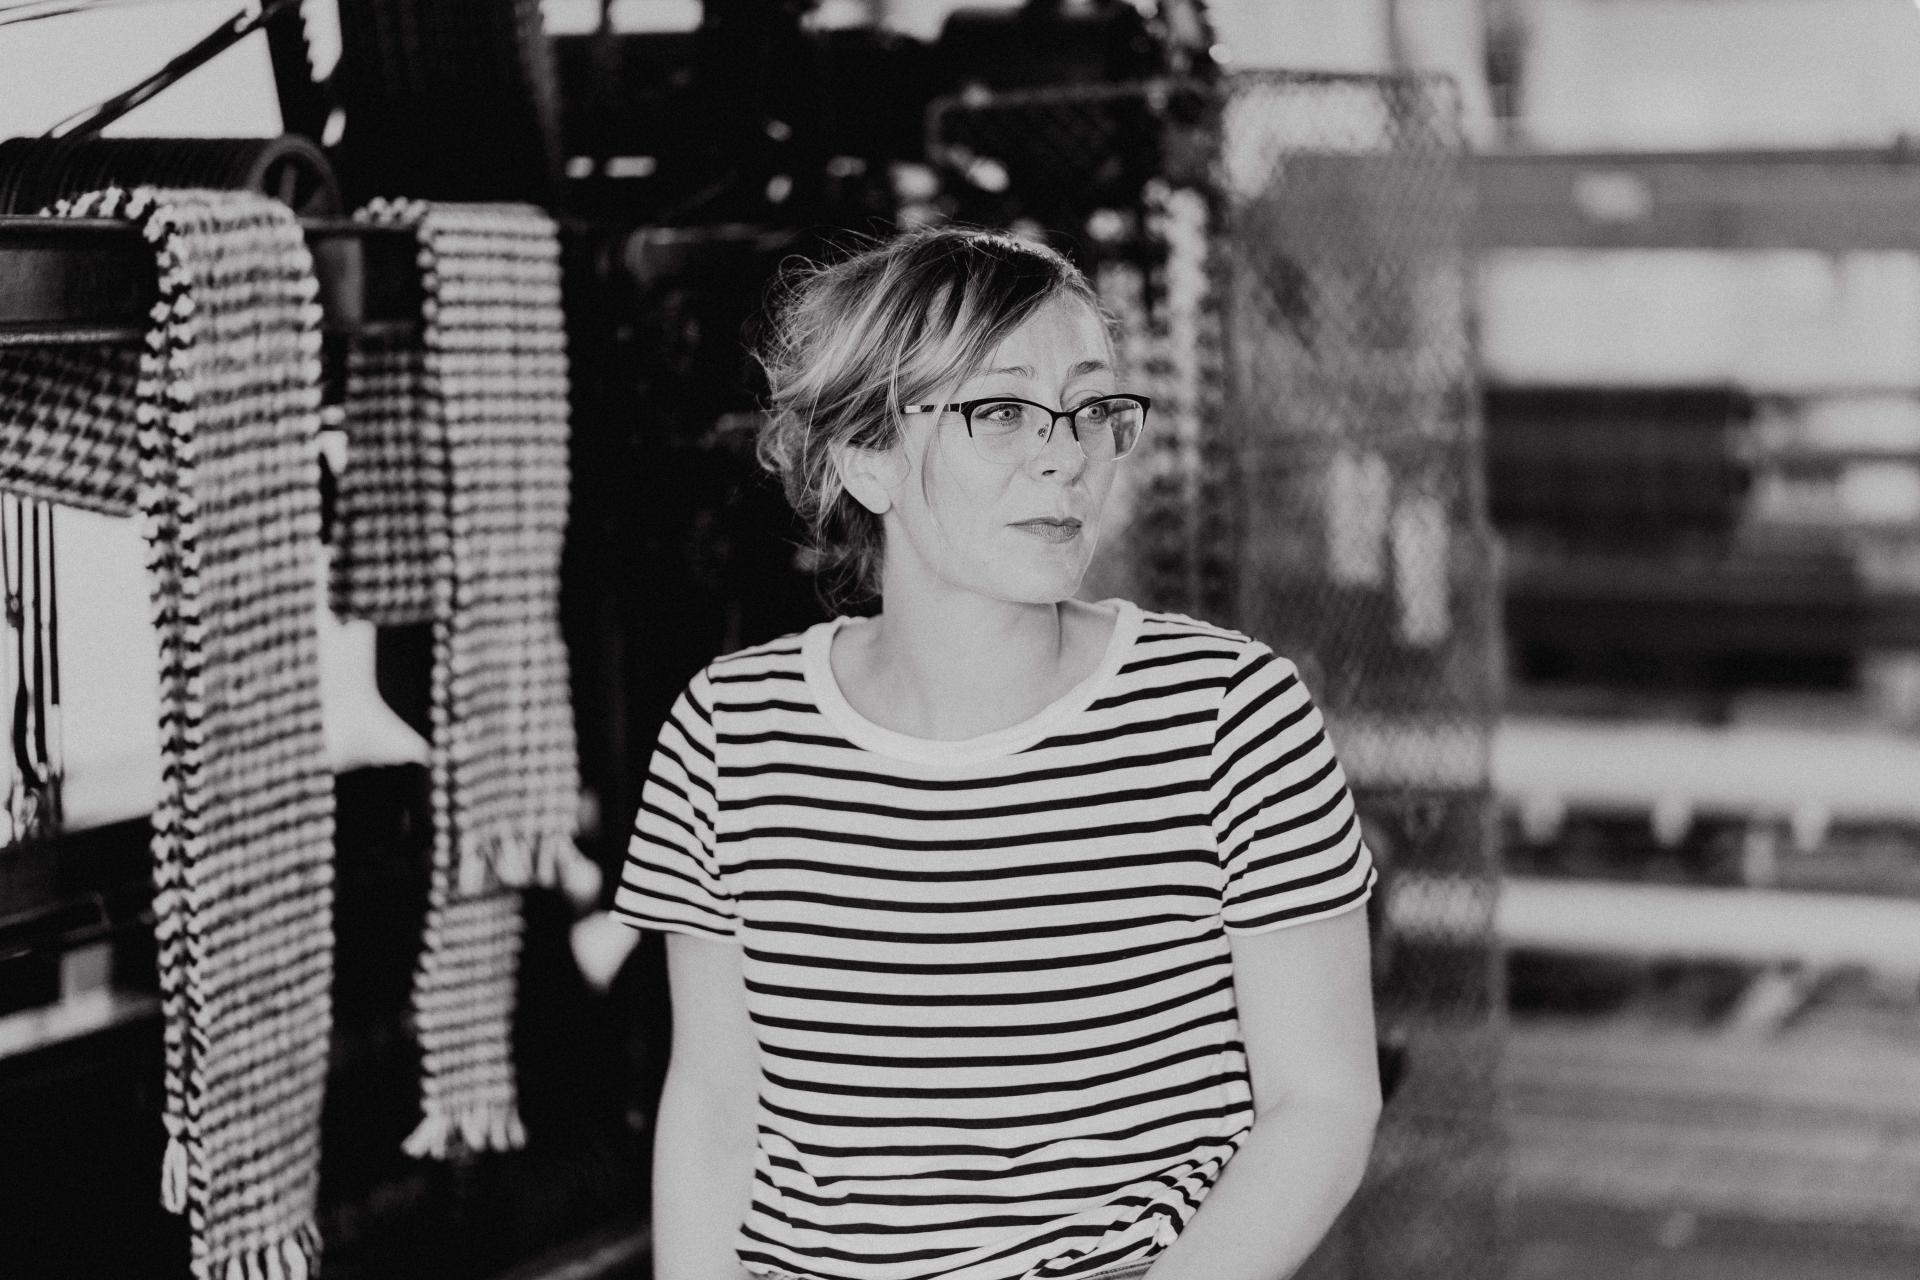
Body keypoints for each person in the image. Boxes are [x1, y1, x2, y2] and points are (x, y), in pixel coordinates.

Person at [612, 226, 1380, 1280]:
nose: (1066, 453)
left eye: (1094, 407)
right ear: (865, 457)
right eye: (1002, 410)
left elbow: (1323, 1100)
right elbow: (712, 1105)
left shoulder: (1227, 715)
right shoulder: (730, 730)